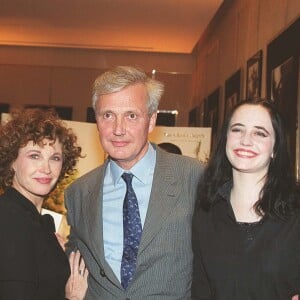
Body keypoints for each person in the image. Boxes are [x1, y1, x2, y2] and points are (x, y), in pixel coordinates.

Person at [65, 65, 204, 299]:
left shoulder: (193, 177)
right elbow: (75, 257)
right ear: (96, 120)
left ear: (151, 121)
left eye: (131, 116)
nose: (118, 129)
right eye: (107, 115)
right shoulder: (79, 193)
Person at [192, 98, 300, 299]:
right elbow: (200, 289)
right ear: (225, 138)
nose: (246, 140)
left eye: (260, 133)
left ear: (275, 148)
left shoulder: (296, 211)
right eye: (237, 129)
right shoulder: (205, 211)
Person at [0, 108, 88, 299]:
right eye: (34, 156)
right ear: (11, 161)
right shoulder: (9, 219)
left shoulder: (36, 222)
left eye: (55, 158)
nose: (46, 168)